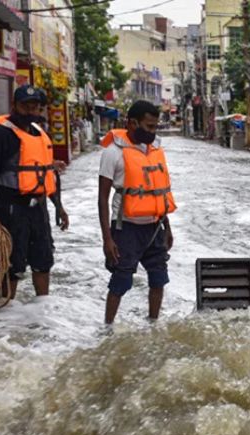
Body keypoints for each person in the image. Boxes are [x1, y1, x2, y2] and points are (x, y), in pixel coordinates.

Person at [0, 84, 68, 299]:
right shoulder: (1, 134)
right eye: (25, 106)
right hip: (11, 208)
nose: (30, 111)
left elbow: (46, 176)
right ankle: (6, 313)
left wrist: (59, 208)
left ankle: (41, 311)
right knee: (12, 264)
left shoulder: (39, 134)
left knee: (43, 261)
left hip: (39, 209)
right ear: (14, 106)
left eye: (35, 106)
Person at [98, 100, 175, 326]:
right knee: (121, 281)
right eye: (149, 127)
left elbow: (158, 192)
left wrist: (167, 228)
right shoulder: (113, 153)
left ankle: (153, 323)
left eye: (155, 127)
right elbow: (102, 197)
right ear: (132, 123)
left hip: (155, 226)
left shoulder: (155, 151)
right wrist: (107, 239)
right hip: (126, 228)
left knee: (159, 278)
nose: (153, 132)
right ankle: (108, 328)